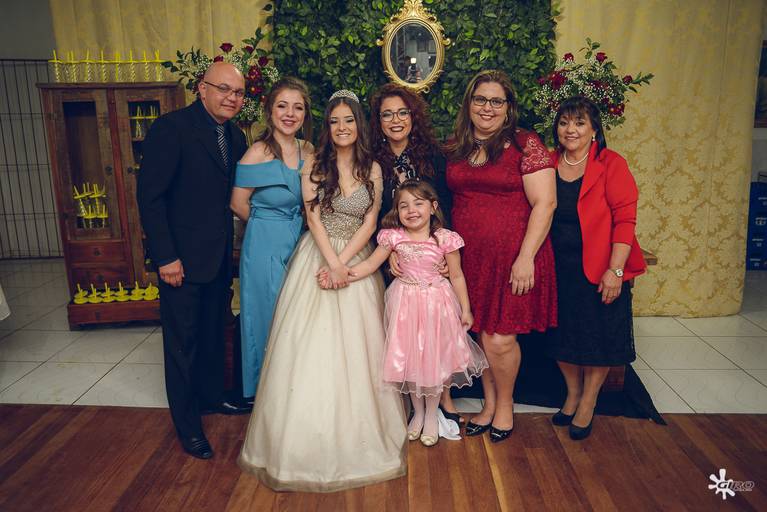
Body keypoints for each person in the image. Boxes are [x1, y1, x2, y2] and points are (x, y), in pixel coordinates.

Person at [238, 90, 407, 492]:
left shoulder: (373, 167)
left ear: (359, 125)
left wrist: (345, 266)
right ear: (327, 127)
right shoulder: (314, 163)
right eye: (334, 121)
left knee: (359, 348)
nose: (342, 128)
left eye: (349, 120)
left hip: (355, 259)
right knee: (306, 347)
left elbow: (371, 222)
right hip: (317, 255)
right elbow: (313, 219)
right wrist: (330, 263)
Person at [137, 62, 250, 460]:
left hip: (217, 260)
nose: (231, 98)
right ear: (202, 88)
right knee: (182, 345)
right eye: (224, 89)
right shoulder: (171, 129)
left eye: (238, 92)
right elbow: (150, 198)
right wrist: (165, 256)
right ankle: (187, 426)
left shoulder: (234, 135)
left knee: (212, 334)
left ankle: (212, 398)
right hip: (180, 262)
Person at [445, 69, 557, 443]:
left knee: (499, 340)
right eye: (480, 99)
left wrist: (526, 258)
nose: (487, 108)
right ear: (469, 103)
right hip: (470, 260)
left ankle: (505, 405)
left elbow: (546, 203)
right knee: (481, 333)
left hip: (513, 259)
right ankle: (490, 404)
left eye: (497, 101)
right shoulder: (457, 144)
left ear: (509, 107)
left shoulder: (526, 144)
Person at [347, 180, 487, 447]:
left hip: (437, 304)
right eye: (404, 206)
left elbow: (457, 275)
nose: (411, 210)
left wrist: (466, 308)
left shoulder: (445, 238)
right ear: (397, 212)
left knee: (433, 361)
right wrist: (344, 272)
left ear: (433, 207)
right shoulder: (393, 237)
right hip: (405, 305)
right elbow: (371, 264)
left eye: (418, 203)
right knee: (409, 358)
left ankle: (432, 414)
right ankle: (418, 413)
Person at [546, 96, 646, 440]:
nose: (570, 129)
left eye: (579, 123)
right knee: (563, 338)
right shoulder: (548, 162)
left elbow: (625, 220)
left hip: (600, 268)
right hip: (558, 268)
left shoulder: (611, 163)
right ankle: (572, 394)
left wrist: (615, 270)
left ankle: (588, 402)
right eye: (564, 122)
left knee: (598, 340)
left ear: (594, 130)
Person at [370, 84, 462, 422]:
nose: (395, 120)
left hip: (430, 256)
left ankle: (444, 397)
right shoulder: (372, 161)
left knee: (436, 331)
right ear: (378, 122)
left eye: (402, 113)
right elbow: (372, 212)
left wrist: (440, 250)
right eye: (387, 114)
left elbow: (444, 207)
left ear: (413, 117)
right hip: (393, 256)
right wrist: (390, 250)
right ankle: (409, 403)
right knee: (404, 333)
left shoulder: (434, 157)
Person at [230, 77, 313, 402]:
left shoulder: (309, 150)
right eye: (283, 106)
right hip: (264, 244)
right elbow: (238, 203)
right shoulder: (256, 152)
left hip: (301, 242)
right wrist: (267, 226)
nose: (290, 114)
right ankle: (266, 393)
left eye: (298, 107)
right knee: (267, 314)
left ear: (305, 113)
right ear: (270, 111)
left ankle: (294, 389)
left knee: (298, 314)